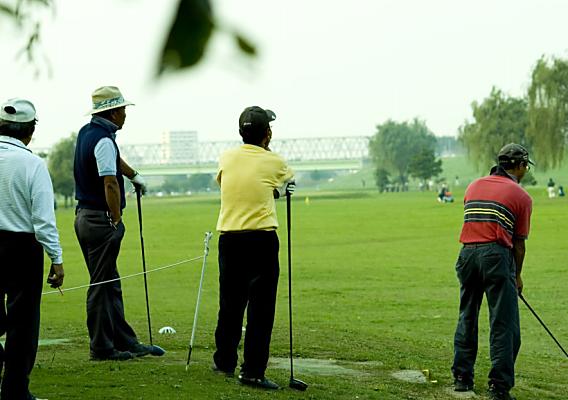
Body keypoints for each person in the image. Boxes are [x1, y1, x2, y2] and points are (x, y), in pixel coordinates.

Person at [73, 86, 164, 361]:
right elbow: (110, 182)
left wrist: (135, 175)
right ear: (113, 112)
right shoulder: (103, 140)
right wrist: (116, 218)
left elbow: (114, 162)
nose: (126, 114)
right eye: (123, 110)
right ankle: (101, 348)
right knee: (102, 285)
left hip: (85, 217)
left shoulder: (90, 133)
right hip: (100, 220)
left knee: (110, 282)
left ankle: (125, 340)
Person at [212, 106, 295, 390]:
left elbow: (226, 182)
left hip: (230, 239)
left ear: (240, 132)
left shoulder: (226, 157)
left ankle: (224, 361)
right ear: (268, 134)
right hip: (260, 240)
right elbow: (287, 182)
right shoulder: (273, 161)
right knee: (261, 309)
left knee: (230, 305)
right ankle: (252, 372)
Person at [452, 143, 533, 400]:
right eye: (525, 167)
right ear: (519, 166)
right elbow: (518, 244)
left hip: (466, 254)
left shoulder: (473, 186)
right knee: (503, 323)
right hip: (496, 255)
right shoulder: (521, 196)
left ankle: (462, 378)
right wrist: (517, 276)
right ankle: (499, 387)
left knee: (467, 315)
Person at [0, 98, 65, 400]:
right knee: (23, 324)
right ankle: (15, 390)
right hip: (21, 248)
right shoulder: (32, 163)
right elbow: (43, 219)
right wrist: (57, 258)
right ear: (31, 129)